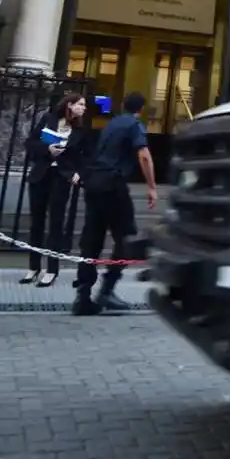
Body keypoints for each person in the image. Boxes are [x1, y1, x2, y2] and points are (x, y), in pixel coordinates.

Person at [73, 91, 157, 316]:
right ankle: (107, 289)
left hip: (95, 184)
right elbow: (144, 155)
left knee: (92, 238)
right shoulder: (134, 124)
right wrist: (151, 186)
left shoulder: (112, 124)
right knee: (126, 237)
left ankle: (82, 295)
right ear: (141, 109)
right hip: (113, 184)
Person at [21, 93, 90, 287]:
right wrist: (48, 149)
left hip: (61, 177)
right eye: (80, 104)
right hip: (40, 175)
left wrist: (79, 173)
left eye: (84, 105)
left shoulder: (81, 130)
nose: (83, 108)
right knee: (36, 222)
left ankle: (52, 269)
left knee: (56, 223)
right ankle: (33, 267)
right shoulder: (48, 120)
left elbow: (87, 156)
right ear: (70, 104)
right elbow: (30, 143)